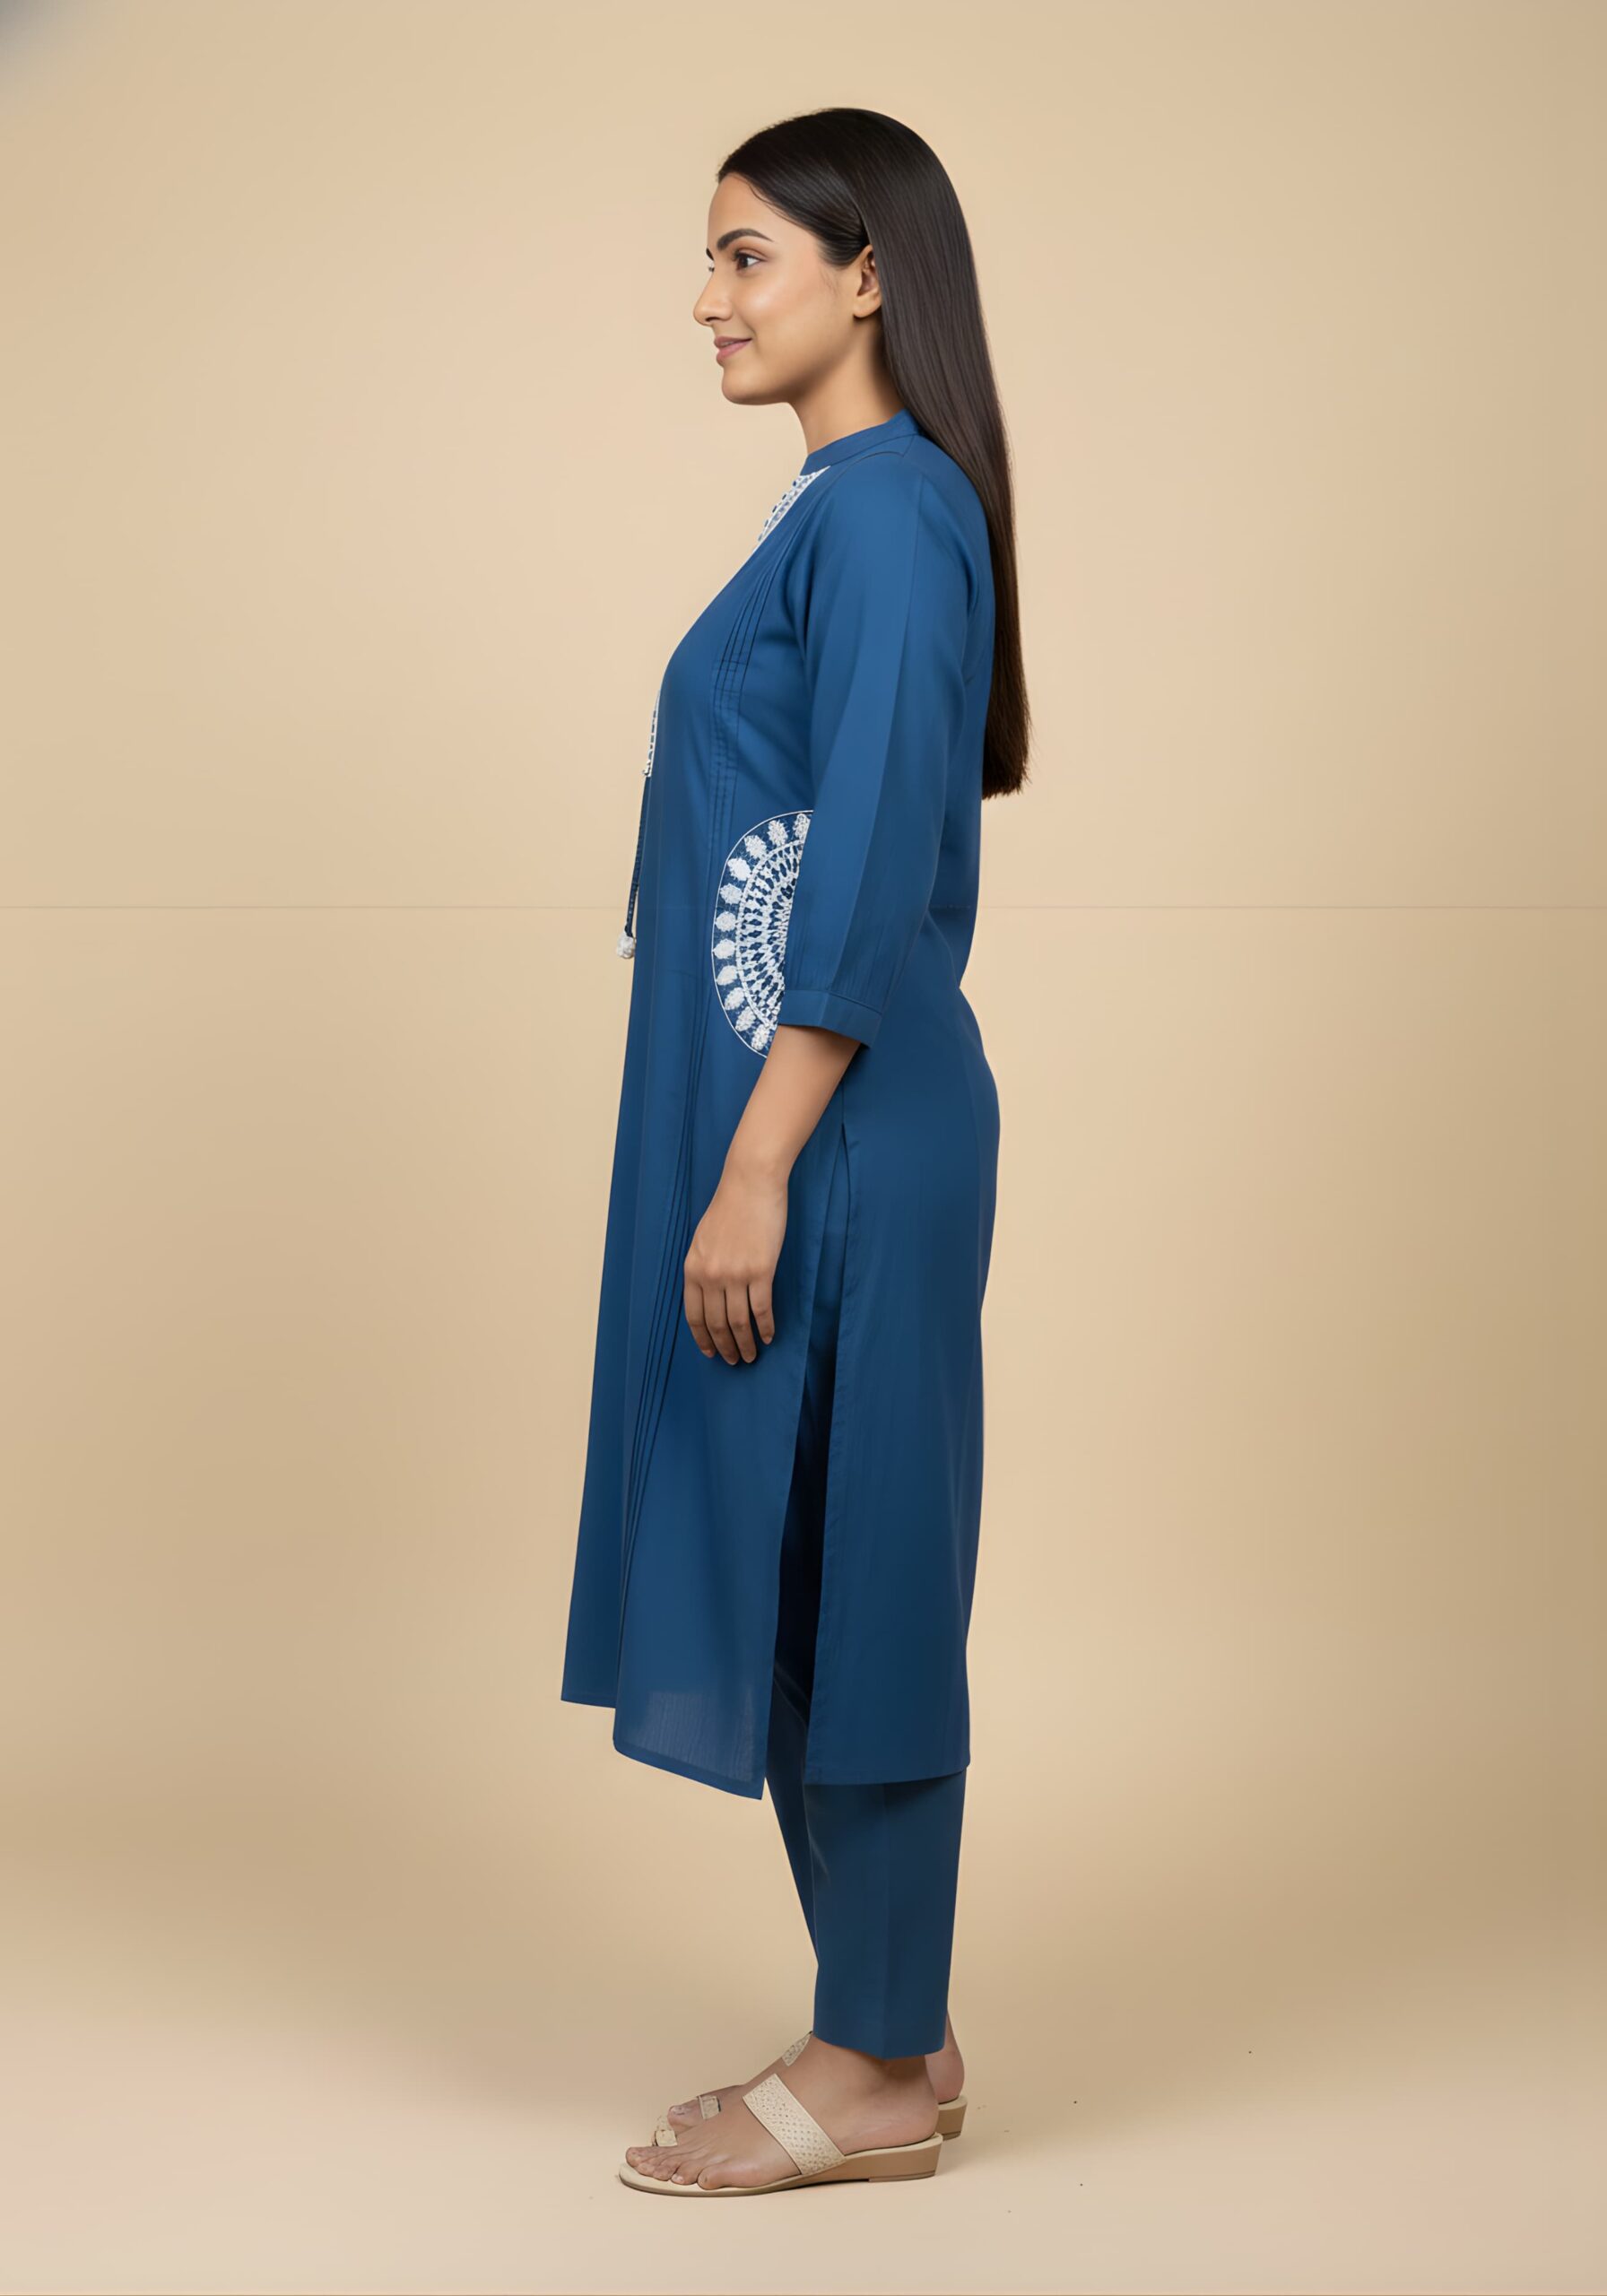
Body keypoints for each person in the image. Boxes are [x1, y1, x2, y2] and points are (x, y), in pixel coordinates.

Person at [560, 105, 1031, 2196]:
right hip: (789, 1120)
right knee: (788, 1576)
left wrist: (752, 1165)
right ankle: (884, 2016)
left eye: (743, 254)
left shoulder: (894, 513)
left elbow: (859, 868)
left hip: (833, 1134)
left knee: (856, 1580)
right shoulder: (838, 512)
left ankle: (872, 2061)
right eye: (710, 254)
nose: (705, 298)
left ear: (863, 271)